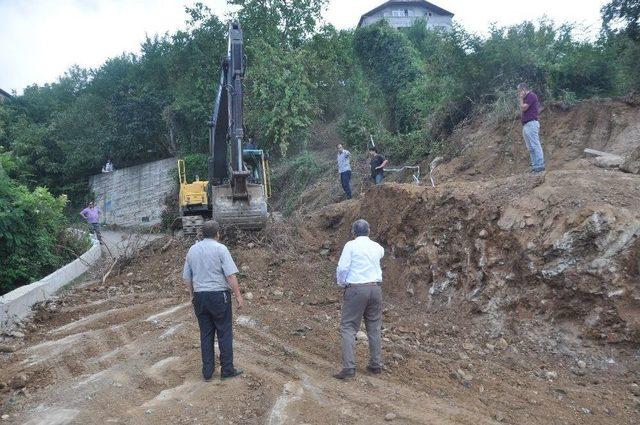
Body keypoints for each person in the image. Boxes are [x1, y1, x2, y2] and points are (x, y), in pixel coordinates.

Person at [182, 220, 244, 381]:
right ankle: (227, 370)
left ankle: (207, 372)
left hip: (200, 296)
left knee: (206, 334)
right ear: (217, 234)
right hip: (218, 296)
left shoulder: (192, 250)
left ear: (202, 233)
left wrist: (191, 295)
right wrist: (238, 295)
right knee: (224, 332)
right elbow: (230, 275)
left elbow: (187, 277)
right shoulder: (220, 249)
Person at [333, 219, 385, 380]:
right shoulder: (378, 247)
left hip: (356, 289)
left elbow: (342, 268)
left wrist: (342, 283)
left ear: (353, 232)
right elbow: (380, 256)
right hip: (375, 289)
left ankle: (349, 367)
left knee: (348, 327)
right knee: (374, 327)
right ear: (369, 231)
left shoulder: (351, 245)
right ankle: (375, 364)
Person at [517, 83, 546, 173]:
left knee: (535, 145)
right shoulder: (526, 98)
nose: (518, 93)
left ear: (523, 89)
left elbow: (523, 108)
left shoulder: (531, 96)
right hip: (526, 125)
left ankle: (540, 166)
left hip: (531, 124)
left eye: (519, 91)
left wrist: (521, 99)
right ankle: (535, 166)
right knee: (530, 147)